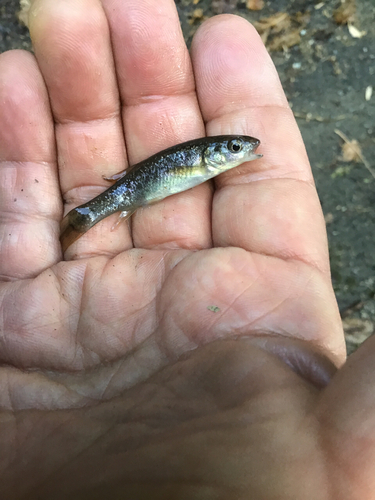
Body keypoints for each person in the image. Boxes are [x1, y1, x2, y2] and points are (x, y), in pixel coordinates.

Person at [0, 0, 373, 498]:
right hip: (127, 192)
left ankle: (88, 218)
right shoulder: (197, 161)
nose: (238, 154)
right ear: (214, 155)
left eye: (237, 149)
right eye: (234, 149)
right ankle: (86, 219)